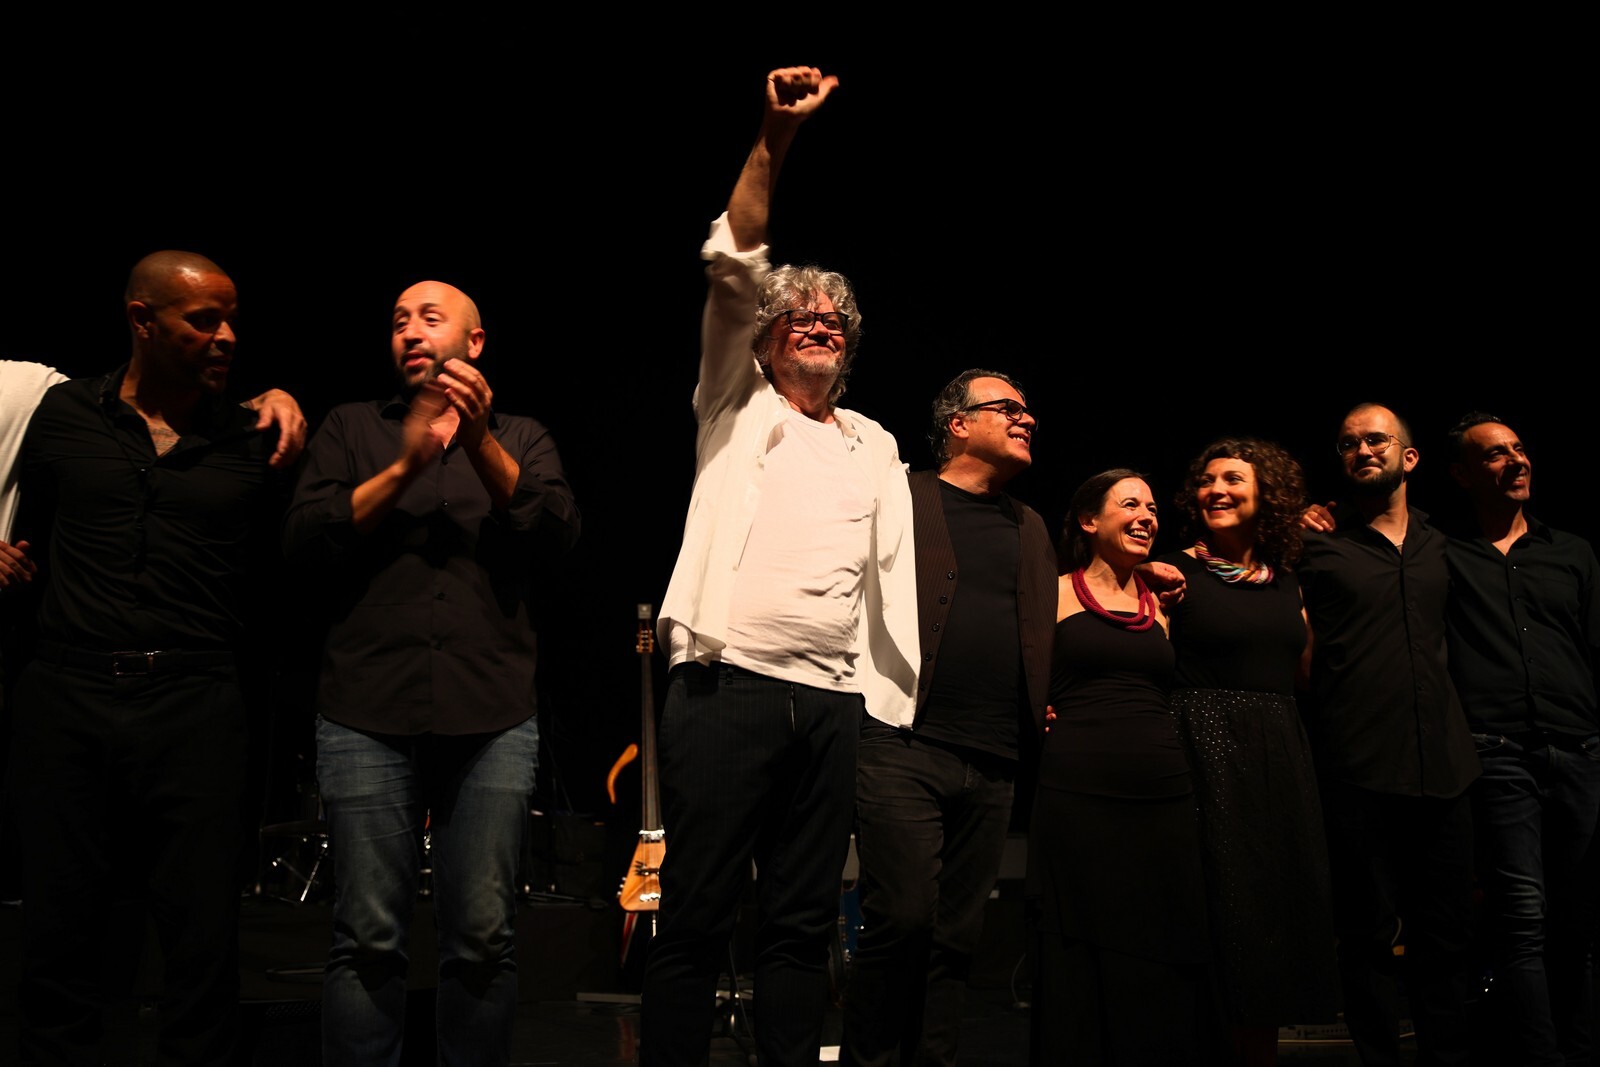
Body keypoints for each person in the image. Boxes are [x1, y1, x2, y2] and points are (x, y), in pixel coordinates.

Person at [643, 67, 919, 1067]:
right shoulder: (735, 405)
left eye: (833, 319)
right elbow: (735, 259)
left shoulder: (875, 443)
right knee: (698, 913)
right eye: (796, 314)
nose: (818, 322)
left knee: (802, 925)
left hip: (831, 703)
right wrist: (774, 138)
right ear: (759, 343)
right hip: (730, 689)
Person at [7, 251, 304, 1065]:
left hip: (194, 700)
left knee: (201, 933)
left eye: (232, 319)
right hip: (67, 693)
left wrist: (281, 397)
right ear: (142, 320)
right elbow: (25, 521)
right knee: (59, 928)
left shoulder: (254, 434)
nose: (226, 336)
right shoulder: (65, 413)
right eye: (204, 320)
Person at [282, 279, 579, 1066]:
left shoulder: (521, 435)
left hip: (492, 715)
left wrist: (477, 443)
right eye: (398, 321)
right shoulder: (351, 427)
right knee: (366, 937)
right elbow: (305, 538)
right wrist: (406, 467)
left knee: (482, 937)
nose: (410, 331)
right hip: (365, 710)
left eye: (429, 318)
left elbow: (557, 534)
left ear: (475, 343)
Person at [841, 369, 1055, 1067]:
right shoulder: (902, 496)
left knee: (956, 937)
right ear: (958, 424)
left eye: (1028, 411)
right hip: (904, 741)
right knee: (902, 916)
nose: (1026, 419)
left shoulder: (1030, 526)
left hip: (995, 756)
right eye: (1008, 408)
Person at [1298, 402, 1480, 1066]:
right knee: (1367, 935)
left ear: (1409, 457)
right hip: (1358, 767)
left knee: (1448, 937)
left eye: (1375, 439)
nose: (1362, 450)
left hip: (1445, 767)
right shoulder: (1316, 543)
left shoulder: (1445, 544)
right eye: (1348, 443)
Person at [1159, 437, 1339, 1065]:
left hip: (1278, 757)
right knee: (1214, 921)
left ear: (1269, 495)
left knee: (1268, 925)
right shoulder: (1172, 572)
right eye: (1207, 480)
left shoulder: (1289, 579)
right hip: (1200, 753)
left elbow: (1306, 674)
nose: (1216, 489)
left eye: (1233, 479)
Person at [1028, 468, 1217, 1066]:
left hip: (1161, 793)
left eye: (1153, 509)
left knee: (1160, 944)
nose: (1146, 517)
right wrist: (1035, 709)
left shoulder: (1161, 604)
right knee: (1080, 942)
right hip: (1078, 791)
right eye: (1130, 504)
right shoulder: (1052, 592)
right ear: (1089, 520)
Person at [1442, 412, 1600, 1065]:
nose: (1516, 461)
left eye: (1519, 448)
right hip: (1500, 750)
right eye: (1495, 454)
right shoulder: (1444, 554)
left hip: (1580, 749)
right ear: (1463, 474)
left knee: (1579, 918)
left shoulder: (1572, 552)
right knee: (1523, 915)